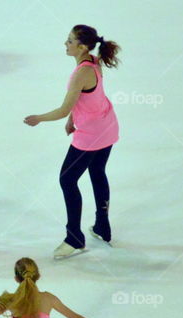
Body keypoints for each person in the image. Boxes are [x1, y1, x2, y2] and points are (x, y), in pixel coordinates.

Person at [24, 26, 121, 259]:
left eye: (69, 41)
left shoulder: (80, 73)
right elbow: (86, 98)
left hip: (91, 135)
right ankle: (102, 227)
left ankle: (74, 238)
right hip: (107, 126)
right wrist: (72, 118)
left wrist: (39, 118)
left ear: (82, 46)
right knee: (97, 171)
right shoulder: (93, 61)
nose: (65, 44)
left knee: (67, 179)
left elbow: (64, 107)